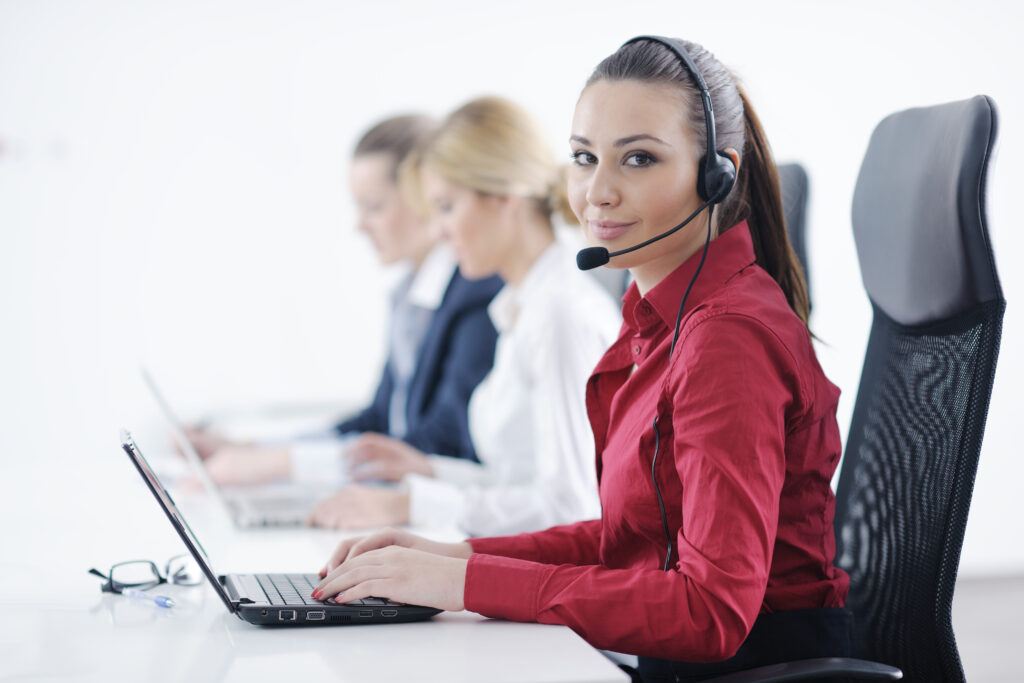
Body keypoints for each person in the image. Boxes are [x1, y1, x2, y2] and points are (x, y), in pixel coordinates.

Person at [311, 37, 852, 680]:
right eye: (584, 158)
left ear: (718, 176)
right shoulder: (660, 322)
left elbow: (710, 610)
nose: (598, 191)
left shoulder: (725, 339)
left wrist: (467, 583)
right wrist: (454, 557)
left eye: (639, 159)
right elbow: (630, 541)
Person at [306, 96, 622, 535]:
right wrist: (428, 472)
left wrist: (410, 505)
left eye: (447, 207)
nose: (438, 230)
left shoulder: (559, 314)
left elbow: (572, 507)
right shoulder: (522, 308)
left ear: (504, 197)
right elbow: (520, 482)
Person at [185, 114, 502, 487]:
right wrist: (256, 450)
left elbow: (443, 442)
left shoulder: (478, 293)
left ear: (424, 199)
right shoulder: (409, 296)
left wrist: (281, 465)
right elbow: (379, 419)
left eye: (374, 206)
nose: (360, 224)